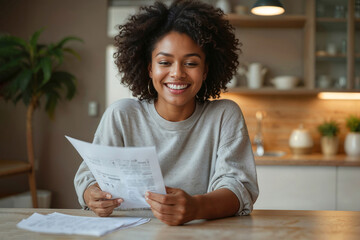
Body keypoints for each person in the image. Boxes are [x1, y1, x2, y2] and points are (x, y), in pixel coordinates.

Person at [74, 0, 258, 226]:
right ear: (150, 68)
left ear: (206, 69)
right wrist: (91, 194)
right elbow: (88, 177)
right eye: (165, 62)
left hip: (201, 232)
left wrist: (196, 207)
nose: (177, 73)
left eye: (191, 63)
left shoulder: (224, 116)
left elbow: (239, 188)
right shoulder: (122, 115)